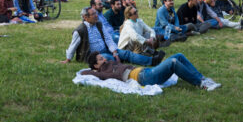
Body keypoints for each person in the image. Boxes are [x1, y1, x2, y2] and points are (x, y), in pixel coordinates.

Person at [62, 7, 162, 66]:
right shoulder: (79, 31)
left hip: (106, 49)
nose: (96, 16)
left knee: (127, 54)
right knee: (109, 59)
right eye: (93, 14)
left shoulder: (99, 24)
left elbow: (108, 39)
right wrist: (68, 59)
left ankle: (152, 61)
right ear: (85, 17)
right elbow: (73, 46)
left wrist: (114, 52)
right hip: (93, 56)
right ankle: (119, 59)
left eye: (96, 13)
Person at [81, 51, 221, 91]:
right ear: (95, 66)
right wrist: (91, 70)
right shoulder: (100, 72)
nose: (104, 60)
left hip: (145, 71)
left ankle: (202, 79)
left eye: (102, 58)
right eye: (100, 60)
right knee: (173, 62)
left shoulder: (109, 62)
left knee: (178, 55)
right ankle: (201, 84)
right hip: (143, 78)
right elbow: (85, 73)